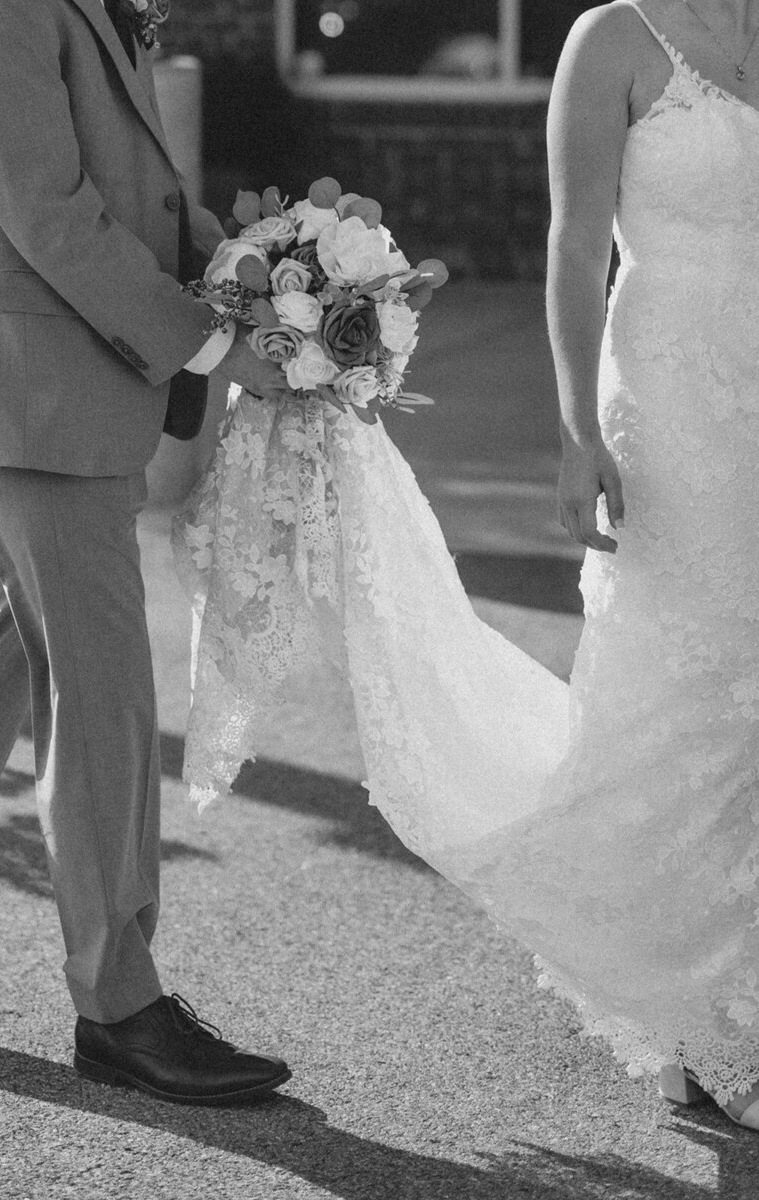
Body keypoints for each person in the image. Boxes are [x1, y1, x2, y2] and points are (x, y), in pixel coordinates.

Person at [173, 0, 759, 1129]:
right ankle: (700, 1016)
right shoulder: (615, 38)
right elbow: (575, 242)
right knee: (692, 694)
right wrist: (576, 435)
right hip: (675, 403)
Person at [0, 0, 294, 1105]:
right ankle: (119, 1005)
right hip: (35, 391)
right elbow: (48, 214)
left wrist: (264, 269)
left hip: (58, 388)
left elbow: (125, 186)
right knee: (100, 696)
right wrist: (206, 342)